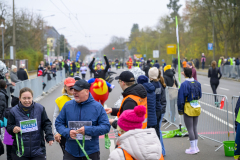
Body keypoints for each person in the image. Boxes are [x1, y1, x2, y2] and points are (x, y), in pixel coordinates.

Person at [55, 79, 110, 160]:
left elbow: (106, 127)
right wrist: (68, 132)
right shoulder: (68, 105)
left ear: (87, 91)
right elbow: (58, 123)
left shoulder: (97, 107)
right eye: (74, 89)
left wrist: (88, 130)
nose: (74, 92)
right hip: (70, 152)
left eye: (78, 90)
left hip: (91, 152)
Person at [7, 87, 54, 159]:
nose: (27, 101)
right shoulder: (13, 111)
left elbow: (46, 123)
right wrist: (13, 128)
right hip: (20, 152)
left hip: (38, 151)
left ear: (32, 97)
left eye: (29, 98)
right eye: (24, 98)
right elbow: (9, 127)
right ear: (19, 98)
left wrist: (49, 136)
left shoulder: (40, 108)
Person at [177, 68, 202, 154]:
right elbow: (200, 95)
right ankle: (196, 147)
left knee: (190, 128)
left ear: (184, 74)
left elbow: (180, 98)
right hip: (196, 105)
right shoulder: (197, 83)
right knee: (194, 127)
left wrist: (180, 109)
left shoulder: (184, 84)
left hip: (188, 106)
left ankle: (193, 148)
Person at [53, 78, 75, 155]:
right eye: (69, 86)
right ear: (65, 87)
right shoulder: (59, 100)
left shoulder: (81, 98)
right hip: (64, 134)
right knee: (67, 155)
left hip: (78, 133)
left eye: (73, 85)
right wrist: (56, 132)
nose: (71, 88)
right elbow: (55, 117)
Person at [157, 69, 167, 157]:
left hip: (160, 111)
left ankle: (162, 151)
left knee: (158, 131)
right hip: (161, 110)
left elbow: (160, 100)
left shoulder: (158, 86)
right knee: (158, 131)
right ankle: (162, 151)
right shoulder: (160, 84)